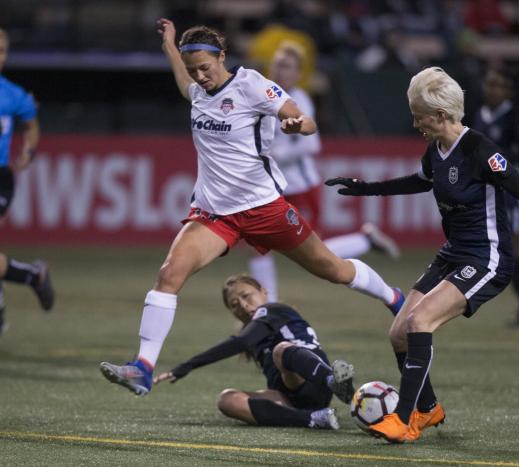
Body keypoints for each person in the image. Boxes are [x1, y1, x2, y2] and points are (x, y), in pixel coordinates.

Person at [99, 19, 404, 396]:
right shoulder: (198, 91)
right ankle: (142, 367)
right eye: (194, 70)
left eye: (206, 69)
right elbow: (185, 84)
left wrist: (296, 124)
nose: (200, 77)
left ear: (222, 57)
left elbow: (303, 119)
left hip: (264, 207)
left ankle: (393, 298)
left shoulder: (251, 84)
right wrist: (169, 46)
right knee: (169, 274)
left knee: (333, 269)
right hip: (214, 215)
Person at [326, 67, 519, 443]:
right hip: (453, 254)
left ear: (442, 116)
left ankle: (403, 419)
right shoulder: (437, 149)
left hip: (487, 258)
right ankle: (429, 409)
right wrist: (366, 189)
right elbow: (421, 180)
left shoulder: (480, 150)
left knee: (420, 322)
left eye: (420, 116)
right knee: (399, 330)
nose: (415, 123)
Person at [249, 42, 400, 302]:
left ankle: (364, 240)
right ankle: (267, 309)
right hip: (275, 188)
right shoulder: (268, 96)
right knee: (259, 248)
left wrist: (275, 156)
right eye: (277, 64)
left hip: (300, 188)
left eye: (286, 66)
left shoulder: (300, 99)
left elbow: (311, 143)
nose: (280, 69)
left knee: (317, 254)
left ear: (298, 73)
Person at [154, 273, 355, 430]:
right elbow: (243, 341)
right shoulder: (252, 335)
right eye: (234, 305)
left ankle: (333, 380)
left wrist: (187, 366)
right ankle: (313, 419)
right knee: (227, 399)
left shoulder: (272, 310)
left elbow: (240, 342)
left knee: (280, 350)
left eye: (246, 295)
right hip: (289, 397)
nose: (243, 305)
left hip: (313, 380)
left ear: (264, 292)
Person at [472, 66, 519, 325]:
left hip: (512, 194)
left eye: (497, 84)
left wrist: (501, 163)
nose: (491, 88)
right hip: (488, 194)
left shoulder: (514, 117)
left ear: (508, 91)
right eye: (488, 83)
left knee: (511, 251)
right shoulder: (479, 114)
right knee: (502, 253)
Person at [0, 28, 54, 334]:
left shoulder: (12, 94)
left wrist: (29, 149)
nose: (0, 57)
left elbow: (31, 124)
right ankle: (33, 275)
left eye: (3, 51)